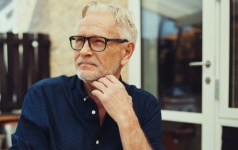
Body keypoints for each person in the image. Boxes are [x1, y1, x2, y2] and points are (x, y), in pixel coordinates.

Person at [10, 1, 165, 150]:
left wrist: (127, 118)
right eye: (79, 40)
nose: (83, 51)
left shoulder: (146, 105)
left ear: (126, 52)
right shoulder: (43, 96)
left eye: (98, 41)